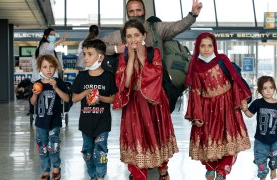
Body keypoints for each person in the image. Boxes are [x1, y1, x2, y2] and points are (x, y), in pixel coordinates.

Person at [113, 19, 178, 180]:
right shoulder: (123, 56)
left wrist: (142, 59)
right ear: (125, 39)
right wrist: (130, 60)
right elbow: (125, 83)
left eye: (136, 35)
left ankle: (162, 168)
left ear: (144, 35)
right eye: (129, 36)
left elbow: (156, 77)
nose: (133, 39)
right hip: (134, 104)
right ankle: (138, 175)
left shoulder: (153, 52)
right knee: (135, 140)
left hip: (153, 103)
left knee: (155, 137)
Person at [184, 32, 252, 180]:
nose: (207, 49)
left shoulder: (222, 59)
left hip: (227, 106)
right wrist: (196, 114)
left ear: (214, 46)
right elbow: (195, 92)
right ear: (197, 47)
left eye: (210, 45)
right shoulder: (195, 65)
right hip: (207, 108)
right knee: (207, 137)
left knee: (227, 139)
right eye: (203, 46)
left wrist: (241, 99)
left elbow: (235, 79)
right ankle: (210, 167)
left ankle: (222, 171)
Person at [72, 39, 117, 180]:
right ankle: (92, 175)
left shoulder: (108, 77)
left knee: (101, 151)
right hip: (86, 124)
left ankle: (100, 176)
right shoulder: (82, 77)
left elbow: (113, 99)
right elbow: (74, 98)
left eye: (89, 54)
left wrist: (100, 98)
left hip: (102, 123)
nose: (85, 58)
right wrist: (86, 93)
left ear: (100, 57)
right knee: (87, 152)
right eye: (84, 54)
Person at [102, 0, 203, 55]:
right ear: (127, 13)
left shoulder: (156, 28)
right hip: (130, 85)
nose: (135, 14)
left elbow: (177, 26)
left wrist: (192, 15)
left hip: (156, 84)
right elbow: (96, 47)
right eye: (131, 11)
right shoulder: (120, 34)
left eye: (138, 10)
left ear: (144, 11)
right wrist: (115, 48)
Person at [30, 54, 70, 180]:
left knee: (54, 147)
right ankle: (46, 170)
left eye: (51, 66)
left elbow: (67, 98)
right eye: (45, 67)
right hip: (41, 123)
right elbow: (32, 102)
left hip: (55, 122)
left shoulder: (58, 82)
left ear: (55, 68)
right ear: (40, 69)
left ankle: (56, 168)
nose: (48, 69)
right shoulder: (36, 83)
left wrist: (56, 87)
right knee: (42, 148)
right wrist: (35, 94)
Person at [241, 76, 277, 180]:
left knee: (274, 159)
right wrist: (244, 109)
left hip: (275, 139)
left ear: (274, 89)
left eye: (271, 88)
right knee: (260, 160)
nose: (268, 91)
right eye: (265, 88)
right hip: (260, 139)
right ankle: (262, 176)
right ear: (260, 90)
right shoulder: (258, 103)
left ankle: (273, 168)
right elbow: (249, 114)